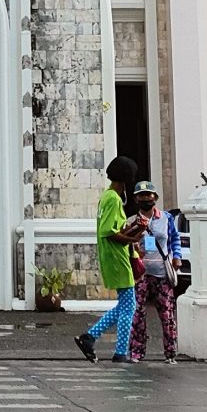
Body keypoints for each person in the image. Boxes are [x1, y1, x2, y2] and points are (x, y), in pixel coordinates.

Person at [72, 155, 145, 363]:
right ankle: (120, 352)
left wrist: (133, 233)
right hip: (117, 256)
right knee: (129, 306)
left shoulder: (107, 197)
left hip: (113, 255)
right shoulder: (113, 199)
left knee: (125, 305)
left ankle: (90, 338)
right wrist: (131, 237)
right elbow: (109, 231)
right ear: (126, 179)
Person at [127, 182, 178, 364]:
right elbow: (128, 244)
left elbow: (174, 239)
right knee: (138, 313)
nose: (145, 199)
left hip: (162, 273)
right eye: (141, 196)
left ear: (155, 198)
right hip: (141, 273)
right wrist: (135, 249)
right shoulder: (132, 221)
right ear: (136, 199)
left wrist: (176, 258)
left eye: (149, 196)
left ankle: (170, 352)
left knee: (167, 314)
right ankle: (137, 352)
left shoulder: (166, 218)